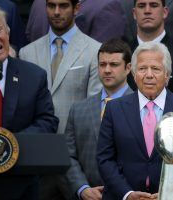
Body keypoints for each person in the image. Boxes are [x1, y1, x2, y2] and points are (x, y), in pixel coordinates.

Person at [0, 5, 58, 199]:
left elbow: (47, 121)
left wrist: (11, 144)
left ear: (8, 33)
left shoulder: (33, 76)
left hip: (20, 187)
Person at [97, 42, 173, 200]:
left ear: (167, 74)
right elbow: (105, 158)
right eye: (142, 69)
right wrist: (127, 194)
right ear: (134, 74)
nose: (149, 75)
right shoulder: (114, 109)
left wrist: (172, 193)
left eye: (155, 69)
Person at [19, 0, 102, 199]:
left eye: (63, 5)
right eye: (51, 5)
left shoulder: (94, 50)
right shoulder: (27, 52)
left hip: (75, 159)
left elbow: (92, 110)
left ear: (77, 8)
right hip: (36, 156)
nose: (56, 12)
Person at [65, 39, 133, 200]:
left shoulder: (142, 107)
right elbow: (68, 155)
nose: (107, 70)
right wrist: (82, 188)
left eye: (114, 64)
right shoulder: (78, 109)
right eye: (102, 65)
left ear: (128, 67)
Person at [127, 0, 173, 97]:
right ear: (134, 13)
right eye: (142, 6)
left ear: (165, 12)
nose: (147, 10)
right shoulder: (122, 55)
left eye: (154, 5)